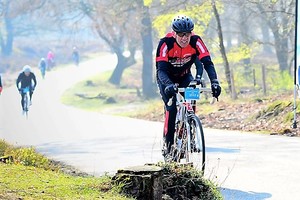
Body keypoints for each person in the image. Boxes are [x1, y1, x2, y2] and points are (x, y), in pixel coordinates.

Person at [155, 15, 221, 154]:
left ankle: (189, 130)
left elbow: (207, 63)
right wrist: (168, 85)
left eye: (188, 34)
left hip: (185, 76)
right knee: (172, 108)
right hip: (166, 79)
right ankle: (168, 146)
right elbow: (161, 70)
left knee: (190, 102)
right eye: (181, 34)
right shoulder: (165, 43)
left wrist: (214, 81)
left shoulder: (196, 41)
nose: (185, 38)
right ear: (174, 33)